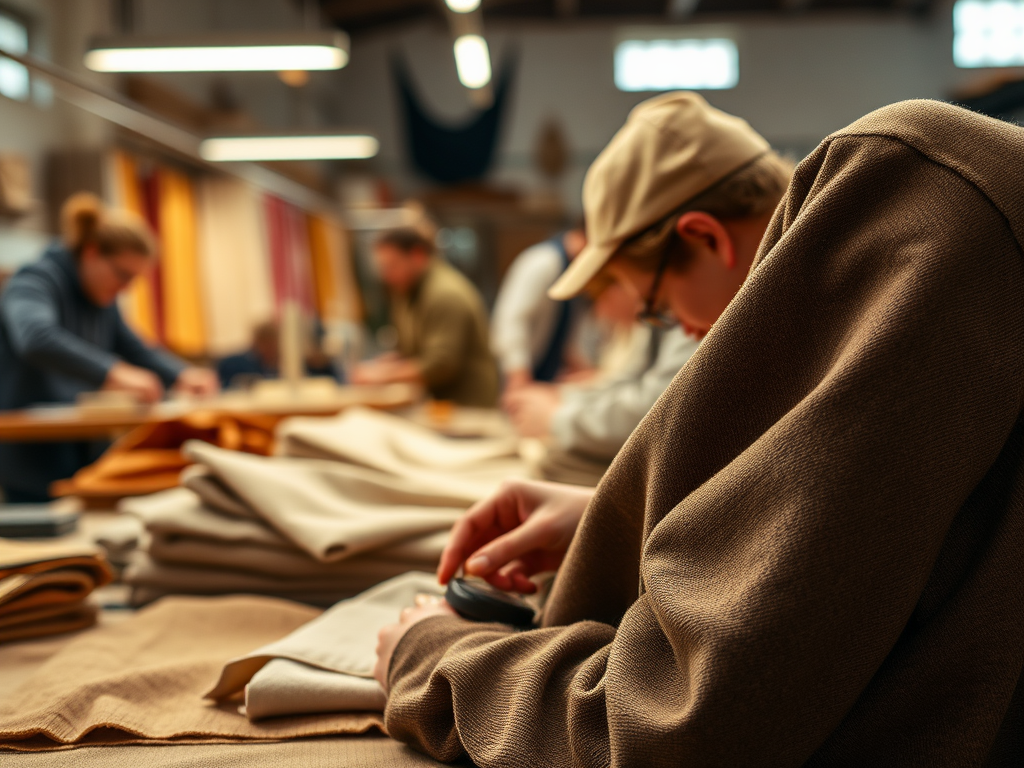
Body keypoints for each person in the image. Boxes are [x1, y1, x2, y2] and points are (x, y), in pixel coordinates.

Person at [373, 95, 1024, 765]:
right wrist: (618, 519)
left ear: (705, 238)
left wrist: (435, 656)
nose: (679, 333)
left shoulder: (907, 202)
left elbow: (685, 724)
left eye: (654, 310)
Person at [0, 193, 218, 502]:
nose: (126, 288)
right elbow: (35, 337)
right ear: (91, 253)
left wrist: (182, 374)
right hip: (32, 451)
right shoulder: (33, 281)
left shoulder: (102, 299)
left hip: (81, 442)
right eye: (123, 274)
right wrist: (114, 372)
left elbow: (133, 347)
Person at [351, 226, 499, 407]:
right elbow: (415, 351)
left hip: (468, 408)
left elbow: (440, 365)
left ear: (417, 256)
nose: (386, 276)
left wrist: (381, 376)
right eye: (383, 268)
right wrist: (387, 363)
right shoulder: (408, 292)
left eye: (392, 266)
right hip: (443, 406)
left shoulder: (444, 294)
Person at [490, 226, 588, 391]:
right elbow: (512, 321)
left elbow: (559, 327)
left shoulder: (570, 268)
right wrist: (518, 375)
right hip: (517, 373)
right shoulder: (543, 262)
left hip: (540, 374)